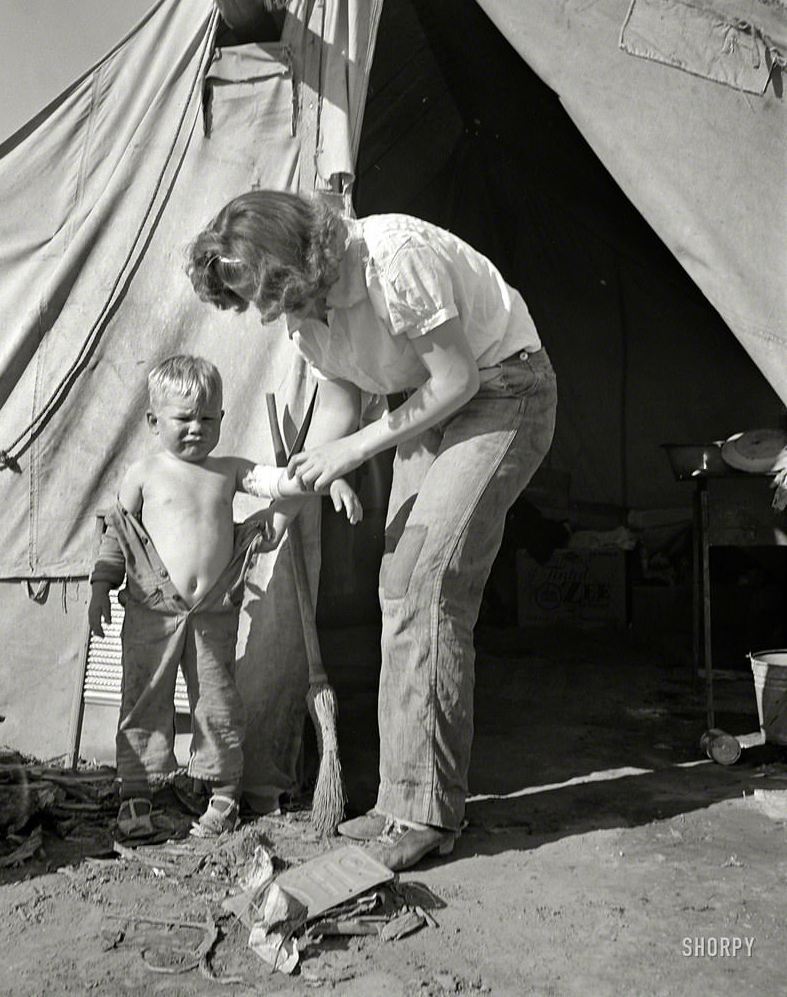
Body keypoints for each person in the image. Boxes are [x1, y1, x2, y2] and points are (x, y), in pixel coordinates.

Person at [187, 190, 557, 870]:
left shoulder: (395, 262)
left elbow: (456, 379)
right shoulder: (303, 317)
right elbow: (338, 402)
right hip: (431, 411)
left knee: (428, 583)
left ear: (295, 256)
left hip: (503, 394)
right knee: (398, 586)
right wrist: (287, 505)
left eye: (268, 290)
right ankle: (400, 801)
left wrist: (353, 454)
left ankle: (425, 814)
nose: (266, 311)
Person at [87, 354, 361, 840]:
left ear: (222, 419)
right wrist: (99, 589)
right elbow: (117, 536)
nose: (197, 428)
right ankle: (136, 793)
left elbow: (278, 482)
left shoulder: (229, 470)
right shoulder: (143, 473)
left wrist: (329, 477)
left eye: (208, 418)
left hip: (213, 612)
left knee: (217, 702)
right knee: (144, 699)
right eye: (184, 419)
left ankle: (223, 793)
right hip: (153, 609)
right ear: (153, 422)